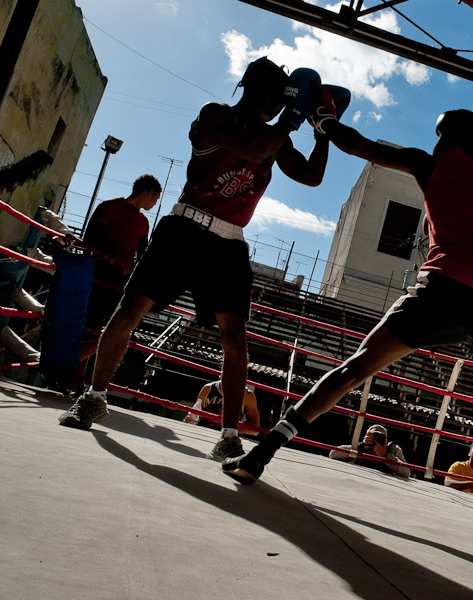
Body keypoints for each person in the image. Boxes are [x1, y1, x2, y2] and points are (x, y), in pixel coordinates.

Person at [222, 108, 473, 569]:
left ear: (447, 137)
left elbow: (362, 146)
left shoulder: (432, 163)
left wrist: (323, 122)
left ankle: (261, 455)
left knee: (356, 367)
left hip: (444, 287)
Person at [59, 57, 334, 464]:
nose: (282, 105)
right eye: (280, 96)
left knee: (235, 336)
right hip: (184, 228)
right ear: (263, 92)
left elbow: (311, 176)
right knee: (128, 312)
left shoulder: (276, 136)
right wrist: (291, 121)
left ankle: (228, 435)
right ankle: (94, 397)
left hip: (229, 242)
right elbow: (252, 148)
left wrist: (322, 130)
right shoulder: (216, 116)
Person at [77, 174, 162, 377]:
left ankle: (72, 367)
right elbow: (90, 237)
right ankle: (73, 373)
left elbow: (143, 254)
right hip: (98, 273)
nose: (155, 203)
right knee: (88, 325)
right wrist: (112, 255)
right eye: (156, 198)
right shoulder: (111, 206)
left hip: (121, 281)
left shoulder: (143, 222)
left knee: (107, 330)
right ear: (149, 192)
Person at [329, 424, 410, 477]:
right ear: (366, 437)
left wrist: (386, 456)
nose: (375, 440)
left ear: (385, 441)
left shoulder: (393, 449)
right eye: (371, 436)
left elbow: (407, 473)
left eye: (379, 437)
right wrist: (361, 447)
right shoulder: (361, 447)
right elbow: (333, 454)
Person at [184, 380, 260, 435]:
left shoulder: (247, 395)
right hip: (201, 432)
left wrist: (228, 424)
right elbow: (195, 412)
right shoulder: (208, 388)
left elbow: (255, 430)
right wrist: (190, 419)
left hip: (226, 439)